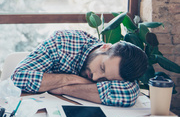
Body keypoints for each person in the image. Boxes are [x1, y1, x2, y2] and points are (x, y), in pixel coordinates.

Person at [11, 29, 148, 107]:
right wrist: (70, 79)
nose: (95, 78)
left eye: (104, 79)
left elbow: (129, 93)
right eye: (101, 67)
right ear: (104, 47)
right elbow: (18, 78)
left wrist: (62, 89)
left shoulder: (119, 70)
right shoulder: (63, 42)